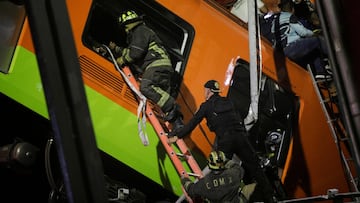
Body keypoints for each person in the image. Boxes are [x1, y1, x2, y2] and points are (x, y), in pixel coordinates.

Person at [168, 80, 276, 202]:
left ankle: (220, 198)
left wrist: (178, 136)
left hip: (226, 141)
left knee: (218, 170)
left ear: (208, 91)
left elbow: (193, 123)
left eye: (205, 90)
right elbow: (238, 119)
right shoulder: (229, 102)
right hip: (241, 138)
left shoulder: (206, 106)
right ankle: (269, 197)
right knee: (255, 167)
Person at [108, 10, 184, 131]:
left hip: (157, 64)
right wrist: (116, 49)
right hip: (160, 65)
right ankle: (178, 123)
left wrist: (122, 60)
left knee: (146, 87)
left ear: (128, 24)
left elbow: (135, 53)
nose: (125, 30)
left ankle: (173, 107)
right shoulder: (141, 32)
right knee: (160, 96)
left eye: (125, 27)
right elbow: (133, 50)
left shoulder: (140, 31)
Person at [271, 0, 332, 80]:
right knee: (318, 41)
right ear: (292, 9)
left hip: (282, 53)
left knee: (312, 49)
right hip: (292, 47)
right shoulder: (290, 16)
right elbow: (303, 32)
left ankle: (321, 72)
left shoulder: (274, 22)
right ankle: (336, 56)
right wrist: (313, 33)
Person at [181, 150, 257, 203]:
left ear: (209, 164)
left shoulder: (204, 184)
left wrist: (184, 179)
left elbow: (191, 190)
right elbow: (236, 166)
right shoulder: (234, 173)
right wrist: (223, 160)